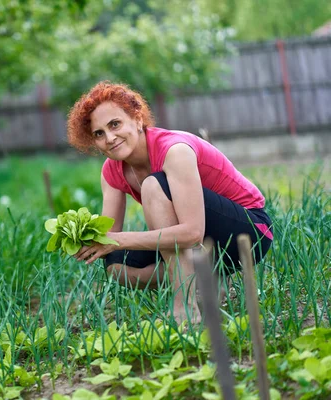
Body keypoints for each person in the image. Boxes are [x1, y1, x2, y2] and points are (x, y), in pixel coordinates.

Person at [67, 81, 273, 324]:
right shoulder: (112, 171)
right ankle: (208, 275)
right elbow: (110, 237)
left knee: (153, 185)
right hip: (203, 246)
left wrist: (119, 240)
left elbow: (192, 233)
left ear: (137, 118)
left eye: (115, 124)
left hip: (249, 233)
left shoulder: (174, 150)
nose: (110, 138)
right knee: (117, 266)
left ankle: (184, 307)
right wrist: (85, 239)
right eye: (99, 134)